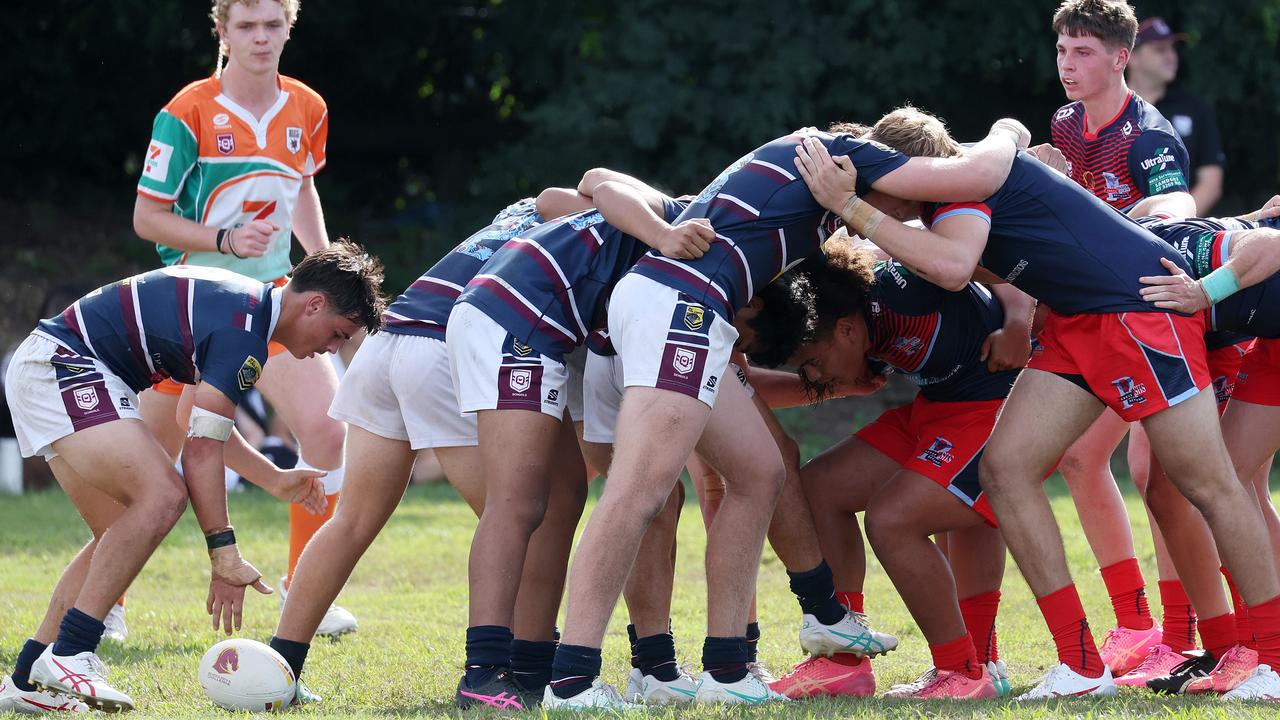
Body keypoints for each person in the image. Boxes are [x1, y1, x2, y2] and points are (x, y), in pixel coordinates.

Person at [795, 104, 1280, 701]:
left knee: (1209, 485)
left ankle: (1272, 662)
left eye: (885, 182)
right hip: (1078, 323)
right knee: (1006, 469)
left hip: (1131, 313)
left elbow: (952, 266)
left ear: (913, 169)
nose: (885, 197)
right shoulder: (958, 189)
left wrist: (851, 206)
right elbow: (993, 162)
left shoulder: (962, 189)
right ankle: (1081, 664)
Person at [542, 120, 1027, 708]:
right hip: (681, 309)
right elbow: (978, 174)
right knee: (638, 491)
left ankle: (729, 671)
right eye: (914, 202)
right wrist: (1007, 132)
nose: (906, 222)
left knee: (762, 473)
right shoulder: (840, 158)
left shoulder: (815, 193)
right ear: (892, 168)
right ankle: (572, 680)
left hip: (685, 313)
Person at [0, 243, 385, 713]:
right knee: (162, 496)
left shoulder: (248, 312)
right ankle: (72, 652)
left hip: (56, 362)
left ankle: (27, 678)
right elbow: (200, 450)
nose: (331, 348)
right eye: (337, 334)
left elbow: (193, 416)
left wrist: (273, 478)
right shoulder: (245, 331)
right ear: (314, 305)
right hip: (63, 365)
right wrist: (224, 552)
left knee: (114, 534)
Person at [132, 0, 356, 638]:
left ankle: (302, 588)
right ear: (222, 31)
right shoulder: (187, 111)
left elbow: (303, 186)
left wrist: (325, 262)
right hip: (191, 309)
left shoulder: (308, 107)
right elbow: (148, 219)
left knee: (330, 429)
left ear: (289, 28)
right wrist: (225, 240)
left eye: (273, 25)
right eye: (247, 26)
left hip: (277, 304)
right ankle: (108, 603)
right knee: (150, 465)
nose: (261, 38)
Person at [1048, 0, 1202, 677]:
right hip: (1095, 313)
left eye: (1082, 52)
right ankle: (1136, 625)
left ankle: (1182, 634)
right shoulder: (1063, 123)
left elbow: (1179, 207)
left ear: (1119, 58)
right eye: (1061, 50)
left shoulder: (1150, 139)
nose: (1066, 64)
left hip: (1159, 313)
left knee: (1157, 474)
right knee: (1081, 459)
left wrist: (1129, 216)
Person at [1127, 16, 1226, 214]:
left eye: (1172, 48)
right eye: (1160, 49)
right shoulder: (1106, 107)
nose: (1171, 55)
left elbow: (1211, 183)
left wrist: (1175, 223)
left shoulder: (1195, 108)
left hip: (1179, 228)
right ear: (1131, 56)